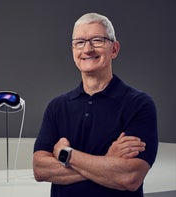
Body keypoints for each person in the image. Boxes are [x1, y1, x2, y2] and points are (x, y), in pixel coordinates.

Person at [33, 12, 158, 197]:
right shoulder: (57, 106)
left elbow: (129, 176)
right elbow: (40, 169)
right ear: (73, 51)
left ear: (114, 49)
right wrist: (107, 161)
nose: (87, 49)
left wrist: (66, 154)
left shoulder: (139, 104)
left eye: (97, 40)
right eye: (80, 42)